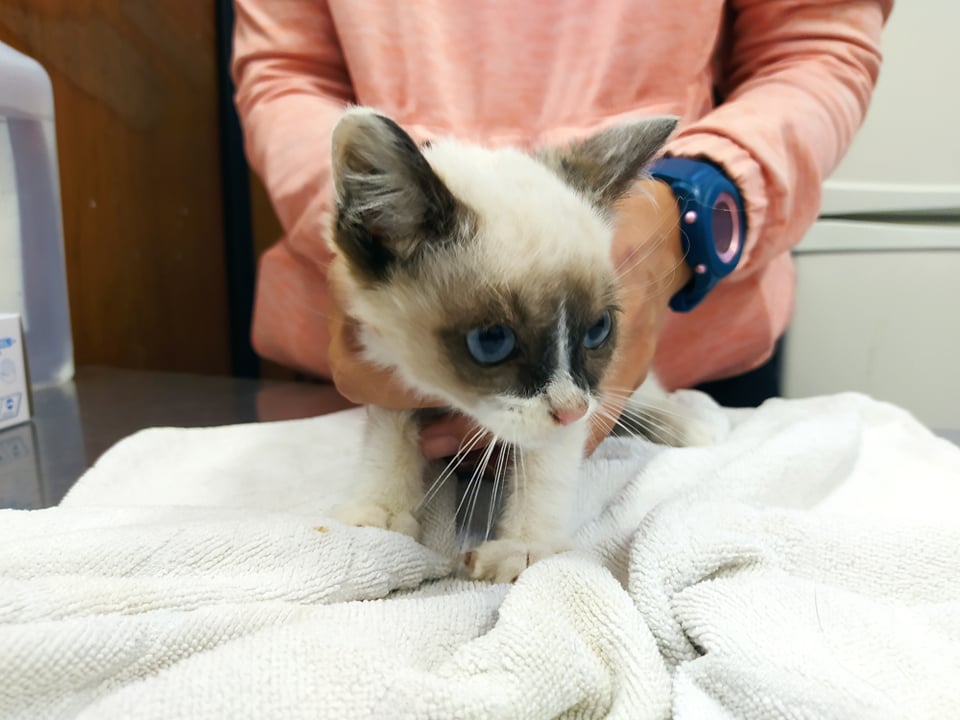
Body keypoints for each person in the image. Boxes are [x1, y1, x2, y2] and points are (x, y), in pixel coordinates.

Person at [231, 0, 892, 458]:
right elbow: (286, 72)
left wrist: (687, 208)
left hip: (677, 362)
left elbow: (816, 44)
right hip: (366, 371)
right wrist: (389, 234)